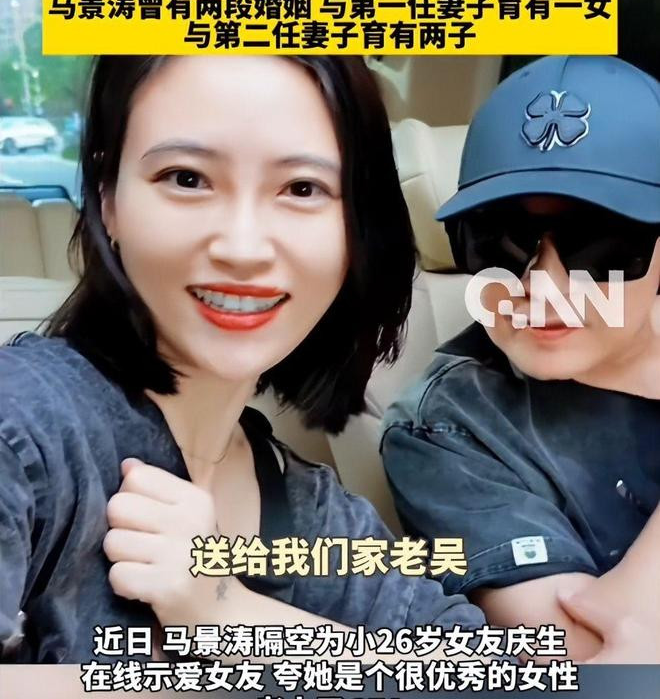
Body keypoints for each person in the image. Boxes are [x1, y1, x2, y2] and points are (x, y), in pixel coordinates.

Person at [0, 54, 486, 664]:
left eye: (302, 189)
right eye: (186, 178)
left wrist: (226, 612)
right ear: (108, 199)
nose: (243, 247)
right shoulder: (21, 428)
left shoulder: (312, 511)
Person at [381, 55, 660, 662]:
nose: (542, 286)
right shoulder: (451, 428)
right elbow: (585, 653)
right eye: (498, 241)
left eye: (600, 242)